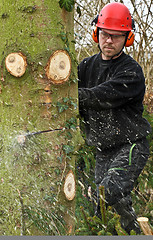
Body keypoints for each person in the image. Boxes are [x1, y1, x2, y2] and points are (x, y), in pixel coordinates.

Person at [78, 2, 152, 235]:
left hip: (130, 144)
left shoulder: (131, 71)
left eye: (116, 36)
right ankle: (132, 231)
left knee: (111, 189)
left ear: (127, 39)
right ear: (96, 33)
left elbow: (101, 96)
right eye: (105, 34)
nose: (109, 40)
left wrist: (71, 96)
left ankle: (134, 233)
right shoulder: (85, 67)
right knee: (98, 205)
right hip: (102, 148)